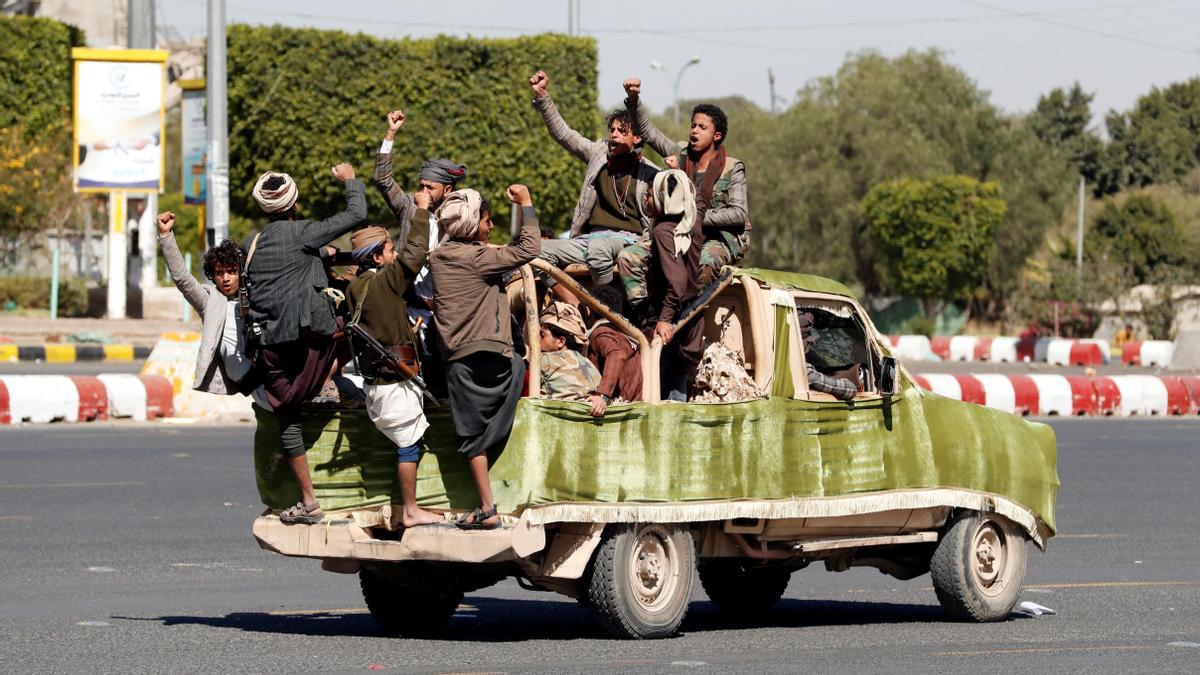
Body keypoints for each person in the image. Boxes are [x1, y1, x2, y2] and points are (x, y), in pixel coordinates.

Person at [243, 163, 367, 525]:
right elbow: (357, 213)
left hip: (270, 347)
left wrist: (322, 255)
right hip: (312, 342)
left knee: (287, 415)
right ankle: (328, 381)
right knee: (349, 331)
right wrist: (349, 180)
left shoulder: (251, 244)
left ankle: (309, 500)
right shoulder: (303, 234)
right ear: (294, 205)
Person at [429, 184, 541, 529]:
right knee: (517, 384)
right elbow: (530, 247)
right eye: (487, 221)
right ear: (471, 225)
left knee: (470, 435)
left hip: (457, 362)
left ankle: (486, 505)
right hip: (495, 360)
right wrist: (526, 204)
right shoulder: (479, 258)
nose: (490, 228)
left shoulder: (437, 258)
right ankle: (499, 499)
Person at [345, 193, 441, 528]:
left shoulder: (356, 287)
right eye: (389, 250)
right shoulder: (385, 282)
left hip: (378, 384)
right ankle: (411, 510)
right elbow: (414, 254)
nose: (395, 254)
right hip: (395, 383)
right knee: (408, 446)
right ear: (375, 256)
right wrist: (422, 211)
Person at [618, 78, 750, 304]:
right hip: (675, 233)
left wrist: (692, 217)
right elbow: (648, 133)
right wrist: (633, 100)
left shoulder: (732, 168)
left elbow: (738, 214)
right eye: (693, 125)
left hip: (716, 238)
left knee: (704, 264)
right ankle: (644, 319)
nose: (694, 131)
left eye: (702, 127)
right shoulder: (680, 153)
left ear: (716, 136)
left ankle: (688, 317)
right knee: (628, 257)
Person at [529, 70, 660, 289]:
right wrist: (543, 96)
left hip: (628, 241)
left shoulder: (651, 174)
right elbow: (564, 134)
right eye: (612, 130)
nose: (614, 135)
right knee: (536, 251)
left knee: (599, 250)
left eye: (621, 131)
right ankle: (574, 304)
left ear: (637, 138)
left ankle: (607, 308)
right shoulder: (599, 154)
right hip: (588, 240)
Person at [375, 108, 469, 398]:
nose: (424, 191)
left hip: (442, 310)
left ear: (447, 189)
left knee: (444, 371)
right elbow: (383, 180)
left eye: (430, 187)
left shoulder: (459, 218)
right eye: (421, 186)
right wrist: (390, 134)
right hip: (409, 307)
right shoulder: (409, 210)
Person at [156, 211, 260, 399]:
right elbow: (182, 279)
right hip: (246, 380)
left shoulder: (257, 295)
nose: (226, 278)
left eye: (231, 271)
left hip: (268, 372)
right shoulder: (210, 300)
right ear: (213, 275)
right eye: (220, 273)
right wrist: (166, 236)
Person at [643, 168, 706, 401]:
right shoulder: (693, 220)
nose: (646, 200)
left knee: (666, 398)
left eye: (650, 195)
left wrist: (664, 319)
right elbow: (701, 195)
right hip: (691, 322)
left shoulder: (662, 231)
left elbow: (677, 281)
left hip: (672, 329)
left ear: (663, 198)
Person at [584, 284, 644, 416]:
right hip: (632, 408)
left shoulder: (601, 333)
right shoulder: (624, 334)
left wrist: (602, 395)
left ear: (588, 310)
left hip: (616, 410)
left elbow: (617, 354)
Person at [538, 302, 601, 403]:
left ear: (561, 341)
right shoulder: (589, 364)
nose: (537, 340)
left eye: (542, 335)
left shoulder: (545, 359)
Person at [796, 311, 860, 401]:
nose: (811, 344)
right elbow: (850, 389)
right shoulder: (801, 370)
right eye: (808, 342)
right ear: (798, 342)